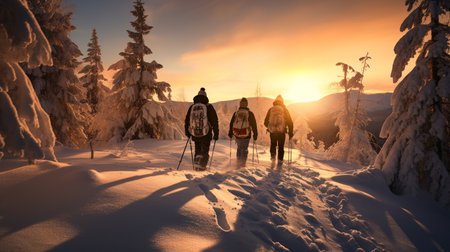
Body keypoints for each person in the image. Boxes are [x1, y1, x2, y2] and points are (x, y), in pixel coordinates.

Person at [185, 88, 219, 170]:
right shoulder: (209, 107)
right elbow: (214, 121)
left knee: (197, 151)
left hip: (195, 133)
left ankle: (196, 168)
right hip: (206, 133)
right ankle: (202, 169)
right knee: (204, 152)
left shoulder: (192, 107)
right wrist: (216, 133)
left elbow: (187, 120)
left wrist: (188, 132)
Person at [264, 94, 293, 168]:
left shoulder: (271, 109)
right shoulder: (285, 110)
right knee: (281, 147)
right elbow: (290, 122)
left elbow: (265, 122)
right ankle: (280, 162)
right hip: (281, 132)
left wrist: (270, 127)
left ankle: (273, 159)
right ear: (282, 101)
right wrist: (290, 133)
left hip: (273, 132)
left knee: (273, 145)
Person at [228, 97, 258, 167]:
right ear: (247, 104)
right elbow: (254, 124)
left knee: (239, 148)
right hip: (246, 134)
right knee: (244, 148)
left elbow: (231, 123)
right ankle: (242, 164)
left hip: (237, 134)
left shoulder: (236, 113)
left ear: (240, 104)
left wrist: (230, 132)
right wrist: (255, 134)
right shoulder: (250, 113)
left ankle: (238, 163)